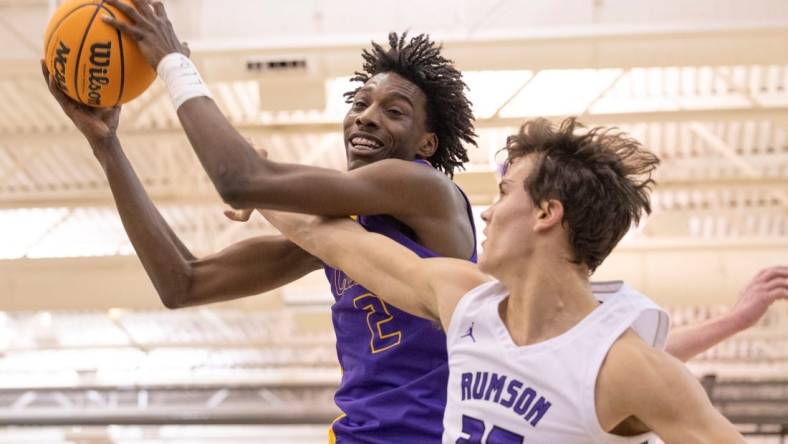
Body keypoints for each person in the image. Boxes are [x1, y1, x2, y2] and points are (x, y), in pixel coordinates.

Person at [41, 0, 784, 441]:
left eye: (393, 111)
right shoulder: (359, 235)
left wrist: (174, 60)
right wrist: (108, 148)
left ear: (427, 143)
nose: (366, 119)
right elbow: (185, 282)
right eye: (359, 103)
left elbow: (242, 177)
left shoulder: (426, 195)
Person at [261, 117, 752, 443]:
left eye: (503, 191)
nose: (489, 213)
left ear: (546, 212)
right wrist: (259, 191)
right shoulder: (463, 299)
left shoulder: (625, 367)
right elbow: (333, 240)